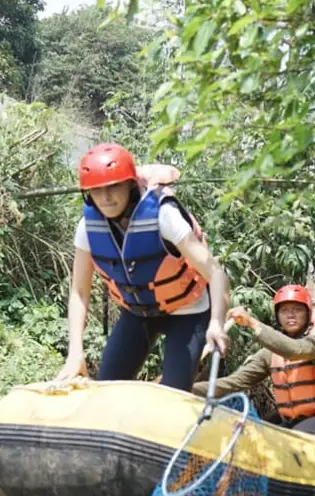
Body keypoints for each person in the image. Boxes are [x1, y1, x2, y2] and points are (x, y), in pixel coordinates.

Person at [57, 143, 229, 390]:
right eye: (97, 190)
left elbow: (216, 273)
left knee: (173, 393)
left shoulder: (163, 216)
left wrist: (216, 322)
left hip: (188, 310)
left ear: (129, 184)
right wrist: (75, 353)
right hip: (137, 312)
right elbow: (79, 293)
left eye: (113, 186)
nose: (106, 197)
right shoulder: (87, 228)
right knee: (106, 387)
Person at [193, 284, 315, 438]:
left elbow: (296, 350)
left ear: (308, 313)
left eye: (297, 310)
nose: (291, 315)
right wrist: (183, 387)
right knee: (248, 436)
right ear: (278, 316)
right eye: (284, 310)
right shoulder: (270, 354)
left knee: (296, 437)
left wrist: (252, 323)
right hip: (295, 420)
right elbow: (234, 382)